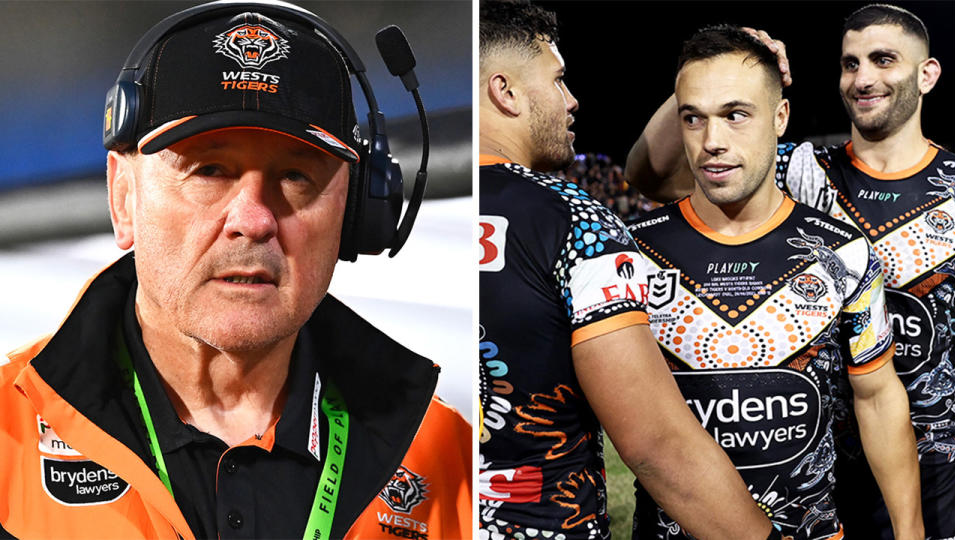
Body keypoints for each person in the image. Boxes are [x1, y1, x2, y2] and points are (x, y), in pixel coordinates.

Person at [0, 1, 471, 539]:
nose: (253, 220)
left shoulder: (452, 462)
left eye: (296, 175)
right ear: (123, 197)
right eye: (210, 170)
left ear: (358, 211)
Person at [626, 5, 955, 539]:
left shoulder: (944, 194)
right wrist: (714, 73)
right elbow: (651, 174)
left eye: (883, 59)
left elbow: (879, 394)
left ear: (927, 73)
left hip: (935, 466)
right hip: (825, 474)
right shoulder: (799, 168)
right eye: (851, 63)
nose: (864, 77)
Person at [478, 2, 780, 539]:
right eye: (558, 80)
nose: (572, 101)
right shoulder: (574, 221)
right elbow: (658, 448)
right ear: (506, 92)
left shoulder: (394, 217)